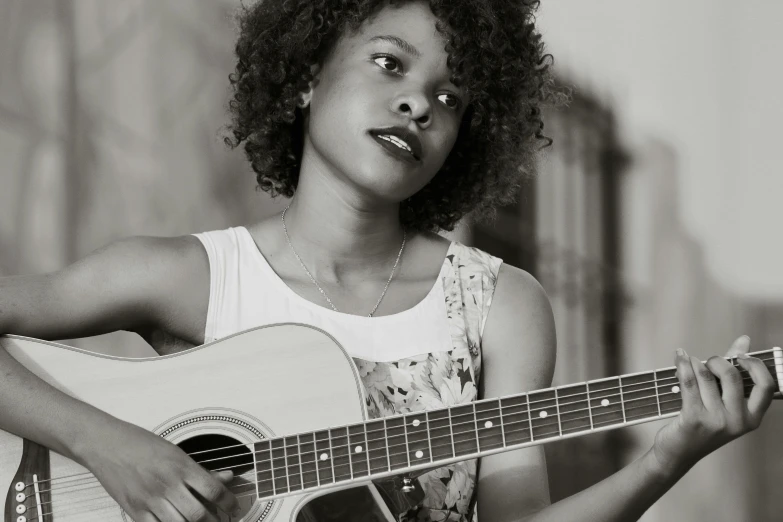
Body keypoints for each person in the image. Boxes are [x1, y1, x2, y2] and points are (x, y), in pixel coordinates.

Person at [0, 0, 777, 521]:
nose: (419, 104)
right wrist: (105, 445)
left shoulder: (496, 304)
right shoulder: (188, 275)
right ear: (306, 75)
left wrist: (665, 459)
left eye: (451, 97)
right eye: (388, 64)